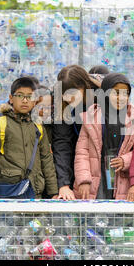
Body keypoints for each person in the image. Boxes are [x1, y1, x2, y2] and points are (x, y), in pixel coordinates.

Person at [0, 77, 58, 199]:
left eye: (29, 96)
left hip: (34, 190)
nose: (25, 100)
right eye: (20, 95)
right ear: (11, 99)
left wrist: (54, 192)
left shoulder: (38, 127)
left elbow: (47, 161)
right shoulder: (0, 124)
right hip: (8, 190)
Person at [73, 73, 134, 200]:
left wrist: (125, 160)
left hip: (121, 177)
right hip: (96, 176)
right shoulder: (91, 117)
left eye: (125, 93)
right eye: (116, 92)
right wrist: (84, 180)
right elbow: (82, 152)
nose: (121, 97)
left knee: (118, 217)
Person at [51, 65, 100, 200]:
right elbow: (62, 144)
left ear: (84, 86)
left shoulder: (102, 97)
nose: (69, 98)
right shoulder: (60, 103)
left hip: (100, 160)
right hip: (76, 159)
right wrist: (63, 184)